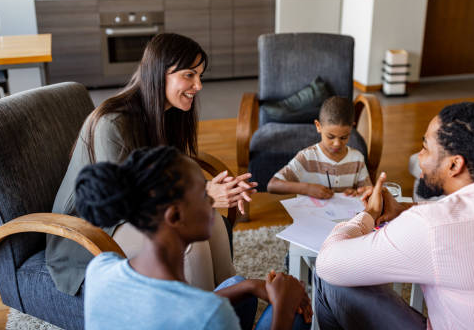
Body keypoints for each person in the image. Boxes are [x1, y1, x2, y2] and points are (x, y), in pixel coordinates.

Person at [314, 102, 474, 329]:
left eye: (425, 147)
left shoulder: (433, 226)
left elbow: (329, 262)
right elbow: (467, 224)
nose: (420, 157)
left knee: (331, 280)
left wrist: (368, 214)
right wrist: (403, 211)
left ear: (455, 165)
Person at [47, 33, 256, 295]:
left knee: (210, 219)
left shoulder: (168, 115)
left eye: (200, 75)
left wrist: (214, 188)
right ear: (159, 73)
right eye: (189, 74)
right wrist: (204, 195)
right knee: (189, 242)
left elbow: (166, 178)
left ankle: (233, 294)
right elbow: (123, 202)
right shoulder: (112, 123)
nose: (199, 85)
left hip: (139, 211)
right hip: (94, 227)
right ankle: (204, 313)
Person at [78, 146, 312, 330]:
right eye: (203, 194)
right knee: (294, 317)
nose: (212, 202)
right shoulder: (208, 315)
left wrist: (249, 286)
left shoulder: (100, 268)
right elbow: (198, 314)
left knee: (237, 284)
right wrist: (284, 307)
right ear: (175, 215)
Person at [267, 96, 372, 199]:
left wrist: (357, 193)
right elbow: (272, 185)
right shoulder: (306, 157)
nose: (337, 143)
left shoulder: (357, 159)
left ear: (351, 128)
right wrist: (307, 189)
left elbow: (367, 191)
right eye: (330, 137)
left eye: (344, 137)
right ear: (318, 126)